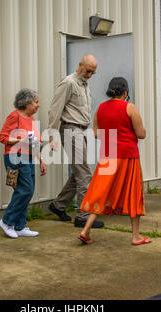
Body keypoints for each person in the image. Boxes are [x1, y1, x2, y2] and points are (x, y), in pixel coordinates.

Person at [77, 77, 150, 246]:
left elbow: (96, 133)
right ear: (125, 92)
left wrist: (112, 138)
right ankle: (136, 236)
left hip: (109, 154)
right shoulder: (129, 107)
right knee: (133, 193)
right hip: (127, 155)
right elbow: (141, 134)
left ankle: (85, 230)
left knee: (101, 192)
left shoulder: (101, 108)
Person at [47, 54, 104, 229]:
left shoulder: (85, 85)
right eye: (88, 71)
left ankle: (58, 205)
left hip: (81, 130)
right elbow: (55, 110)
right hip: (71, 129)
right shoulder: (68, 83)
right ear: (80, 65)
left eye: (93, 73)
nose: (89, 75)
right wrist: (52, 135)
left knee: (79, 173)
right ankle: (83, 216)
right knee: (85, 175)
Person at [0, 89, 47, 239]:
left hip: (29, 157)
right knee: (25, 189)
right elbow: (3, 137)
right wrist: (20, 140)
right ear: (26, 103)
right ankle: (7, 221)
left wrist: (41, 160)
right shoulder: (14, 117)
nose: (38, 105)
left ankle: (20, 226)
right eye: (36, 102)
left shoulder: (31, 119)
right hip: (16, 156)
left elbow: (35, 142)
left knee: (27, 190)